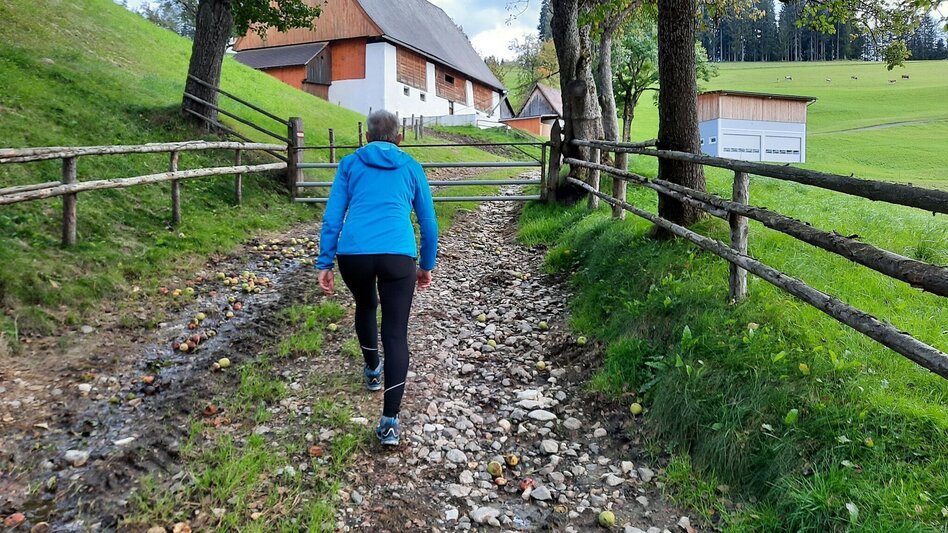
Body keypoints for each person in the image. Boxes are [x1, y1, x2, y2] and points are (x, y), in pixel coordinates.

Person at [316, 110, 438, 446]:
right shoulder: (411, 166)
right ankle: (389, 423)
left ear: (367, 138)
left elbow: (332, 216)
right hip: (398, 254)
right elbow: (428, 224)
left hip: (353, 254)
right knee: (396, 333)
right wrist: (426, 265)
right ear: (400, 138)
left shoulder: (350, 164)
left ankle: (372, 370)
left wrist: (325, 262)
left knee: (366, 305)